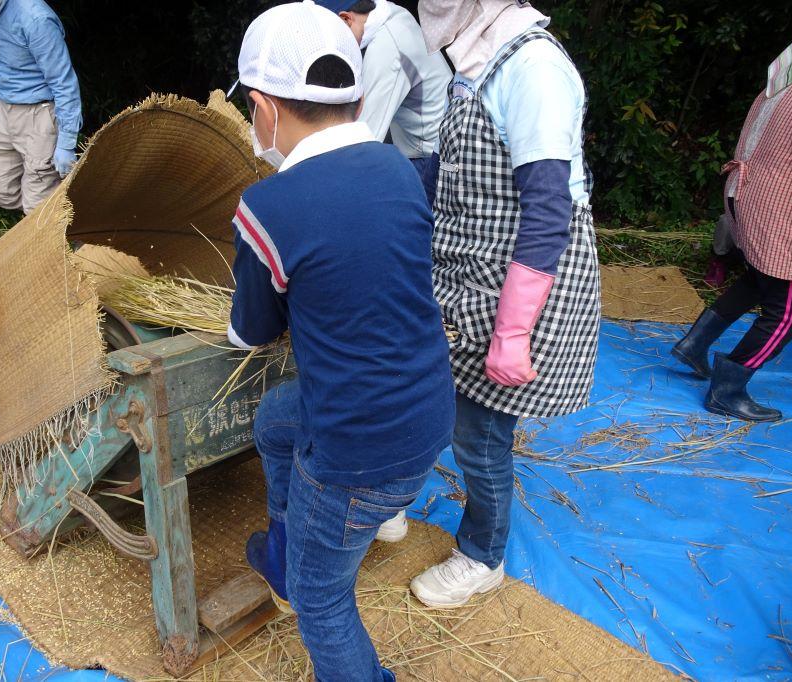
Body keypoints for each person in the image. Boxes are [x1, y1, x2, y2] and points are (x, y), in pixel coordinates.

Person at [229, 2, 455, 679]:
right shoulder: (399, 171)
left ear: (264, 108)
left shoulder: (267, 207)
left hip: (357, 449)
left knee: (322, 600)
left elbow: (251, 334)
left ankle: (302, 574)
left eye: (250, 106)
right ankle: (286, 540)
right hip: (427, 417)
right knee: (275, 419)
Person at [401, 0, 600, 608]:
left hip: (520, 285)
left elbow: (547, 211)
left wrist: (513, 332)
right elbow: (449, 173)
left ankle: (483, 554)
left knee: (480, 434)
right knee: (430, 398)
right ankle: (386, 501)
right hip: (467, 275)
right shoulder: (476, 61)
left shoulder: (533, 68)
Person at [672, 22, 792, 422]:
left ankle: (694, 344)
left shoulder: (785, 82)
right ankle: (728, 389)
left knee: (757, 280)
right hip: (782, 207)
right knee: (787, 311)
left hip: (747, 195)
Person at [316, 0, 452, 206]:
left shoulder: (387, 48)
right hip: (429, 145)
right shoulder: (391, 14)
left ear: (346, 19)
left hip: (430, 159)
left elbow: (365, 137)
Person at [0, 0, 82, 214]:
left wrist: (67, 142)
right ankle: (61, 214)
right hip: (4, 108)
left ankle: (52, 231)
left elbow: (63, 81)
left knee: (36, 205)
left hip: (41, 111)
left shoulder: (36, 18)